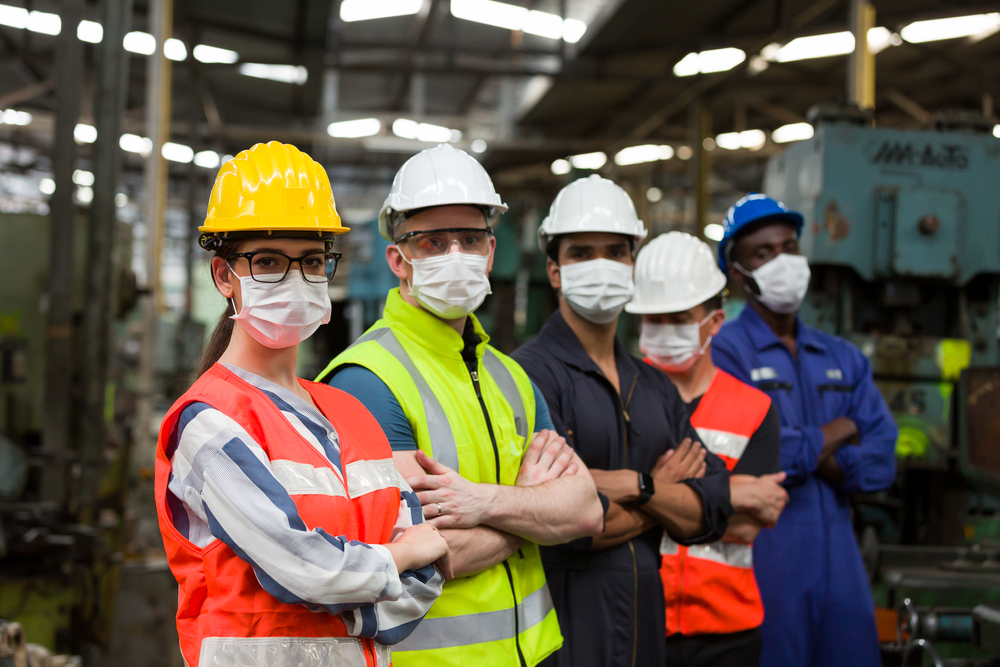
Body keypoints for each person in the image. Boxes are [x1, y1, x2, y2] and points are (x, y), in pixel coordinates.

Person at [154, 142, 451, 667]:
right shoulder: (210, 420)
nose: (294, 279)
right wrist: (395, 559)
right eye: (267, 261)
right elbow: (304, 567)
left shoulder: (350, 412)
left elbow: (425, 579)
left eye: (312, 261)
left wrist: (341, 595)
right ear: (225, 276)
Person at [316, 143, 605, 667]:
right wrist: (530, 510)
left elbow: (586, 509)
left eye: (470, 239)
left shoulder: (510, 375)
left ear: (491, 253)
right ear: (397, 260)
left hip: (536, 655)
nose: (455, 254)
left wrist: (487, 503)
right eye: (432, 242)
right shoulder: (368, 381)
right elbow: (416, 556)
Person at [511, 175, 734, 667]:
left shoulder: (651, 385)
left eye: (616, 251)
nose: (602, 266)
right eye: (582, 253)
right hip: (564, 632)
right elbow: (568, 527)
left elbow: (713, 506)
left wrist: (636, 486)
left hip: (644, 631)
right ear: (554, 271)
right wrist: (662, 491)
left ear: (633, 263)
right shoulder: (528, 375)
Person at [712, 193, 898, 667]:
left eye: (789, 247)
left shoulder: (841, 355)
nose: (783, 261)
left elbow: (880, 463)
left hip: (841, 550)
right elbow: (753, 456)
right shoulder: (725, 353)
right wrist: (841, 428)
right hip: (766, 549)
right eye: (763, 253)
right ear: (738, 273)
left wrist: (810, 450)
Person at [626, 231, 789, 667]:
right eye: (652, 319)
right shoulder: (617, 399)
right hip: (638, 617)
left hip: (727, 630)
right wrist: (731, 495)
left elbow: (752, 527)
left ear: (714, 322)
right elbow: (598, 511)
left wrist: (649, 494)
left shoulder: (755, 410)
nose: (662, 330)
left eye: (677, 318)